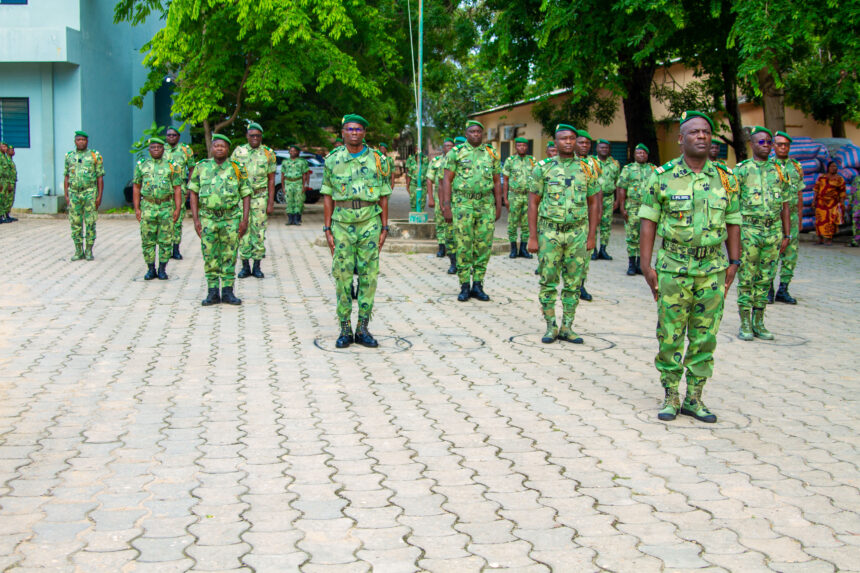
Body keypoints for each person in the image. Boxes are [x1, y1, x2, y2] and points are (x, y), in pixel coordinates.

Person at [639, 111, 741, 423]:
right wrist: (646, 264)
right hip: (673, 267)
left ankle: (695, 397)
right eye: (694, 132)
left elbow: (734, 221)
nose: (701, 136)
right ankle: (671, 395)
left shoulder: (726, 178)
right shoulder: (661, 176)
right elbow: (648, 222)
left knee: (705, 336)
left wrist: (734, 261)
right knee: (670, 335)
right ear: (680, 140)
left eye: (706, 132)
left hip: (712, 269)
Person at [322, 114, 391, 348]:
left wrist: (384, 227)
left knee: (368, 275)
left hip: (369, 221)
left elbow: (384, 195)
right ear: (342, 132)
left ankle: (362, 328)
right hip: (341, 223)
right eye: (349, 129)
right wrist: (327, 228)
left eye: (358, 129)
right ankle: (344, 328)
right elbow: (328, 195)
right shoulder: (332, 160)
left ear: (364, 133)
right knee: (342, 275)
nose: (354, 133)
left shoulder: (378, 160)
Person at [527, 124, 599, 343]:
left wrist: (591, 235)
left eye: (572, 138)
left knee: (574, 282)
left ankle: (568, 326)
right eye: (563, 139)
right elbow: (533, 203)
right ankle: (551, 326)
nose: (568, 142)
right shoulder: (543, 168)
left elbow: (594, 203)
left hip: (577, 232)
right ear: (555, 142)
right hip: (550, 232)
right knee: (548, 280)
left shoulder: (587, 168)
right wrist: (532, 236)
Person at [734, 126, 791, 341]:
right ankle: (745, 322)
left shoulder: (780, 170)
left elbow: (785, 204)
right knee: (747, 276)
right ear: (752, 144)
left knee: (766, 278)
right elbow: (732, 206)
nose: (766, 145)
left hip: (773, 230)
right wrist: (734, 238)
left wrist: (787, 234)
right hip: (749, 230)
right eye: (762, 142)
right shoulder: (741, 170)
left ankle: (759, 321)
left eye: (769, 142)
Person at [440, 120, 502, 302]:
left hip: (485, 204)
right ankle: (464, 285)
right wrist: (446, 206)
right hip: (463, 204)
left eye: (478, 132)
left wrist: (499, 205)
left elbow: (497, 181)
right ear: (466, 134)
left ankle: (478, 285)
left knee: (483, 246)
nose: (476, 134)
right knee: (464, 245)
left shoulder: (491, 153)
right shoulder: (456, 153)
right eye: (472, 131)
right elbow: (446, 180)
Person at [188, 134, 251, 306]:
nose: (219, 148)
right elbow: (193, 193)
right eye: (216, 145)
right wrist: (196, 220)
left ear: (228, 149)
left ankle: (228, 292)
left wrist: (244, 220)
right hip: (208, 219)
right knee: (210, 255)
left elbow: (246, 194)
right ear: (212, 148)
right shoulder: (201, 167)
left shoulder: (237, 168)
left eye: (223, 146)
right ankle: (213, 292)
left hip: (231, 218)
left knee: (230, 255)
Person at [133, 137, 182, 280]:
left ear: (163, 149)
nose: (156, 150)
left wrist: (177, 208)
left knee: (165, 240)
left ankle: (162, 269)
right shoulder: (142, 165)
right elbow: (136, 187)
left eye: (159, 147)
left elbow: (177, 188)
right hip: (148, 207)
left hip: (166, 207)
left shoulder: (172, 166)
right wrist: (136, 208)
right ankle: (150, 269)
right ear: (149, 150)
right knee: (147, 240)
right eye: (153, 147)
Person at [232, 123, 276, 279]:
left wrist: (271, 202)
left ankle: (257, 266)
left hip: (260, 197)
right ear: (247, 136)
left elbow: (271, 179)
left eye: (258, 135)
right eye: (252, 135)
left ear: (261, 137)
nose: (255, 138)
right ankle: (245, 266)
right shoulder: (238, 152)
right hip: (241, 198)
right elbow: (232, 175)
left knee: (259, 231)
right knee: (242, 230)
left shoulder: (268, 153)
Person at [771, 131, 804, 304]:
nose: (783, 147)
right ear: (773, 146)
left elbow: (799, 194)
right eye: (780, 144)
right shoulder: (768, 166)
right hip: (774, 217)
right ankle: (768, 288)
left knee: (790, 254)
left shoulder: (796, 167)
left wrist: (799, 218)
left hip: (791, 216)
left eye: (786, 145)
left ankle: (783, 289)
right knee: (772, 253)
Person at [63, 131, 104, 261]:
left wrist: (99, 196)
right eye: (79, 140)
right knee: (75, 223)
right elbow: (66, 176)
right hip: (74, 193)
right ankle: (78, 250)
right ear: (75, 141)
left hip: (89, 192)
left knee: (90, 222)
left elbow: (100, 177)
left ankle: (89, 250)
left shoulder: (94, 156)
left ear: (87, 141)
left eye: (84, 140)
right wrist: (66, 195)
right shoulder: (69, 156)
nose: (81, 142)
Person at [617, 143, 655, 276]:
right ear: (634, 155)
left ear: (647, 155)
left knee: (645, 236)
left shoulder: (653, 169)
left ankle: (641, 264)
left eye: (643, 153)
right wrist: (622, 207)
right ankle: (632, 264)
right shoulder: (628, 169)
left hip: (648, 207)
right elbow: (622, 188)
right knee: (632, 236)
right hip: (632, 207)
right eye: (639, 153)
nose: (641, 155)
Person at [573, 130, 602, 301]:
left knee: (585, 254)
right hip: (567, 216)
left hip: (585, 216)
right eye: (581, 142)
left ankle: (580, 285)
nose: (584, 146)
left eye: (587, 143)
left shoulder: (593, 165)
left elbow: (597, 192)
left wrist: (598, 214)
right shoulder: (566, 163)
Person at [163, 126, 195, 260]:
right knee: (164, 219)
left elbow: (192, 168)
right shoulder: (161, 149)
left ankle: (176, 248)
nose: (171, 137)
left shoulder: (185, 150)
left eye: (174, 135)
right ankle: (165, 247)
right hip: (164, 189)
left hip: (180, 188)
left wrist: (189, 186)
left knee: (177, 219)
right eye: (169, 135)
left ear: (178, 137)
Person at [502, 137, 536, 259]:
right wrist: (505, 198)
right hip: (514, 196)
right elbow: (505, 181)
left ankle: (523, 249)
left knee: (527, 223)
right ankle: (513, 249)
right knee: (512, 223)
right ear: (516, 147)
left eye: (524, 146)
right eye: (519, 145)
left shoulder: (532, 161)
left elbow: (537, 180)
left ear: (527, 147)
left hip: (527, 196)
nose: (522, 148)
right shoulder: (510, 161)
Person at [427, 137, 457, 267]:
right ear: (443, 148)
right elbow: (430, 180)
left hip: (454, 197)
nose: (449, 148)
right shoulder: (436, 161)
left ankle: (452, 250)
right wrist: (431, 198)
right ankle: (441, 247)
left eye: (451, 146)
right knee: (440, 222)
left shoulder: (457, 160)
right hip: (440, 196)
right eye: (446, 146)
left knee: (452, 225)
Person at [592, 138, 620, 261]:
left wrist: (617, 200)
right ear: (597, 148)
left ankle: (603, 249)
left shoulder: (615, 163)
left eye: (606, 148)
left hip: (609, 197)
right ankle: (593, 249)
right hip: (594, 198)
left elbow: (618, 182)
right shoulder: (590, 162)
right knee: (593, 223)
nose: (604, 150)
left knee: (606, 224)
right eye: (601, 147)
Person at [812, 161, 846, 245]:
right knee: (819, 221)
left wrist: (842, 204)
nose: (833, 168)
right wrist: (814, 200)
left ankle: (828, 239)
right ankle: (820, 239)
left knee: (831, 221)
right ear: (828, 168)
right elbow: (816, 189)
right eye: (832, 166)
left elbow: (842, 192)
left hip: (832, 203)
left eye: (835, 167)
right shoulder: (822, 177)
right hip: (821, 203)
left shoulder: (839, 179)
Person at [282, 145, 310, 226]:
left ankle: (297, 219)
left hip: (298, 182)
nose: (293, 152)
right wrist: (283, 187)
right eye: (291, 151)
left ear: (298, 152)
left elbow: (305, 174)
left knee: (299, 201)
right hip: (288, 182)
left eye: (294, 151)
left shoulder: (302, 162)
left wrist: (305, 185)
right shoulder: (285, 162)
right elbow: (282, 175)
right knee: (289, 201)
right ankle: (290, 219)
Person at [0, 144, 17, 223]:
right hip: (2, 181)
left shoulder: (6, 158)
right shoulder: (2, 158)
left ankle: (6, 215)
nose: (5, 148)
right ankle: (1, 216)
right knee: (2, 198)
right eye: (4, 147)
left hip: (8, 181)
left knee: (8, 199)